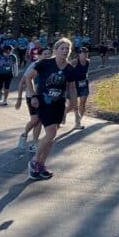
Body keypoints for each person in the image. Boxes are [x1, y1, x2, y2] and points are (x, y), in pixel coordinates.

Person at [24, 37, 78, 180]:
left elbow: (72, 88)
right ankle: (34, 161)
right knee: (51, 132)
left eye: (67, 49)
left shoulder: (69, 68)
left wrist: (73, 103)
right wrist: (33, 95)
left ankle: (41, 165)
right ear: (55, 50)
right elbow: (28, 78)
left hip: (59, 104)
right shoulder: (45, 63)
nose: (65, 51)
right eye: (62, 48)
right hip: (44, 102)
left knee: (52, 137)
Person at [15, 47, 50, 154]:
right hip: (32, 96)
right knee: (35, 119)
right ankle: (24, 135)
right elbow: (22, 81)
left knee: (40, 120)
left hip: (44, 96)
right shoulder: (34, 65)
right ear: (39, 56)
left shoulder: (51, 65)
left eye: (49, 54)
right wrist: (19, 98)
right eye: (45, 54)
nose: (47, 56)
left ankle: (34, 143)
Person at [71, 46, 90, 128]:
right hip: (74, 84)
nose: (85, 54)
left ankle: (78, 122)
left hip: (84, 84)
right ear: (79, 54)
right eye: (83, 53)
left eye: (86, 53)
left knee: (83, 102)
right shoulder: (75, 61)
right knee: (71, 106)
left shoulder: (88, 62)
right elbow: (67, 70)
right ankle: (62, 117)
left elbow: (86, 72)